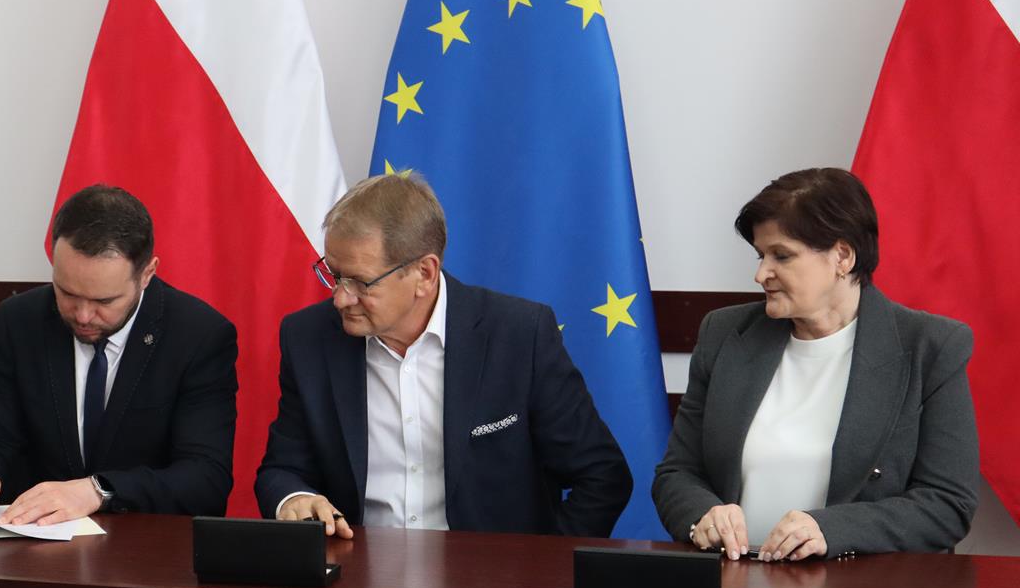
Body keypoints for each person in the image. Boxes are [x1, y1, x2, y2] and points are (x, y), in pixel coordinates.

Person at [254, 173, 633, 539]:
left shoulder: (519, 336)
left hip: (489, 577)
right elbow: (282, 469)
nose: (340, 298)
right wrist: (295, 498)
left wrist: (541, 569)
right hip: (359, 572)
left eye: (359, 282)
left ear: (425, 273)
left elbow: (603, 476)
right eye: (334, 275)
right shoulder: (309, 338)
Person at [653, 168, 978, 561]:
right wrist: (702, 516)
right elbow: (677, 473)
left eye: (782, 255)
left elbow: (947, 504)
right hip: (734, 582)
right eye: (760, 255)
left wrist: (831, 529)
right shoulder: (723, 333)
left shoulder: (931, 346)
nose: (761, 274)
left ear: (842, 256)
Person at [0, 184, 237, 523]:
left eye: (103, 301)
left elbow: (205, 479)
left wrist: (98, 490)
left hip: (146, 546)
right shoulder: (20, 320)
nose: (82, 316)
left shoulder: (198, 335)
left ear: (147, 274)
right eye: (67, 292)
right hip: (34, 542)